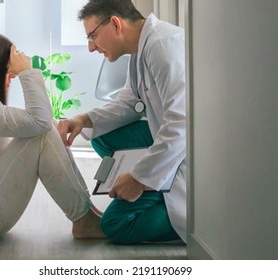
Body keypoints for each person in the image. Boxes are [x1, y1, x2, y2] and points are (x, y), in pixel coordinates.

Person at [0, 30, 104, 241]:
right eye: (8, 73)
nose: (10, 80)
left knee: (46, 125)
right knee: (43, 130)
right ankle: (84, 219)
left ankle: (88, 212)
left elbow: (38, 121)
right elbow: (38, 122)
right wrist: (27, 72)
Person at [57, 0, 187, 244]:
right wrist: (82, 119)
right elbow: (130, 102)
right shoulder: (141, 50)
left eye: (93, 36)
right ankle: (155, 184)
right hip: (166, 140)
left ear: (115, 24)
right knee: (99, 134)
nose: (90, 48)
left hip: (189, 156)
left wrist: (138, 179)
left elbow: (182, 125)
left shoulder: (163, 46)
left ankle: (171, 202)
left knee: (114, 224)